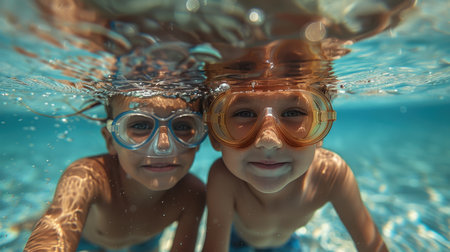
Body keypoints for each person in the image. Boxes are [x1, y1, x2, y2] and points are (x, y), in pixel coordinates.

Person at [202, 40, 388, 252]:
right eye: (244, 113)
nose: (268, 141)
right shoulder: (224, 179)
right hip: (238, 243)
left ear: (320, 129)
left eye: (293, 113)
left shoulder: (331, 175)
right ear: (215, 134)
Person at [24, 91, 207, 251]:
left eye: (182, 126)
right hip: (86, 240)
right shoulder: (87, 176)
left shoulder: (193, 193)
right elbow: (55, 229)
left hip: (146, 242)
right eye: (141, 126)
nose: (163, 146)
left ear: (199, 136)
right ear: (111, 140)